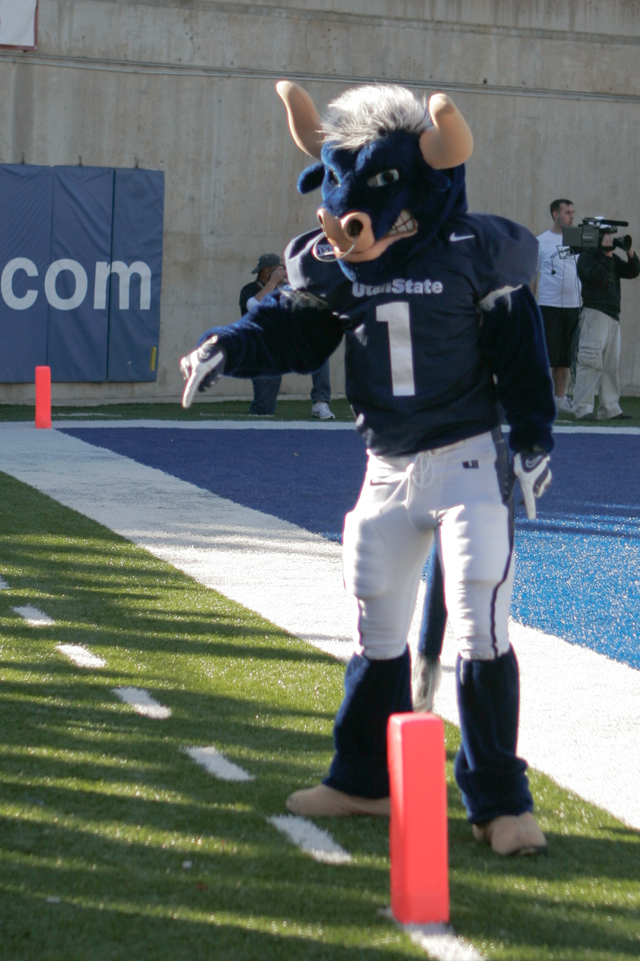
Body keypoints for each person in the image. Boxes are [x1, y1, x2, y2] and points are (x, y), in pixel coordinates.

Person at [181, 82, 554, 856]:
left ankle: (497, 798)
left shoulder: (474, 249)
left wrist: (532, 436)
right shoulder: (333, 264)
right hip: (384, 464)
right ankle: (362, 779)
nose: (348, 221)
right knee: (376, 621)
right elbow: (289, 330)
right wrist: (229, 344)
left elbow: (521, 349)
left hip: (466, 459)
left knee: (480, 623)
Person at [239, 253, 335, 419]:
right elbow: (254, 306)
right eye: (278, 271)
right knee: (264, 410)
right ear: (266, 272)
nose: (282, 274)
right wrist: (273, 282)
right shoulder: (249, 290)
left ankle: (320, 402)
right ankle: (260, 405)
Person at [572, 232, 640, 420]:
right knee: (590, 361)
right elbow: (599, 278)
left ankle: (610, 408)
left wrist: (629, 250)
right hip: (595, 313)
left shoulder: (612, 258)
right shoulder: (586, 257)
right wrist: (608, 255)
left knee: (611, 364)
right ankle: (583, 409)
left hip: (613, 316)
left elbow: (633, 271)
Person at [535, 199, 581, 412]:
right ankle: (538, 398)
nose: (571, 216)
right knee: (545, 355)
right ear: (555, 214)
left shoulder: (577, 240)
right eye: (567, 212)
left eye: (572, 212)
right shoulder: (541, 241)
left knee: (564, 357)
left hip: (573, 307)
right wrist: (528, 305)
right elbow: (532, 276)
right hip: (548, 306)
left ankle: (559, 398)